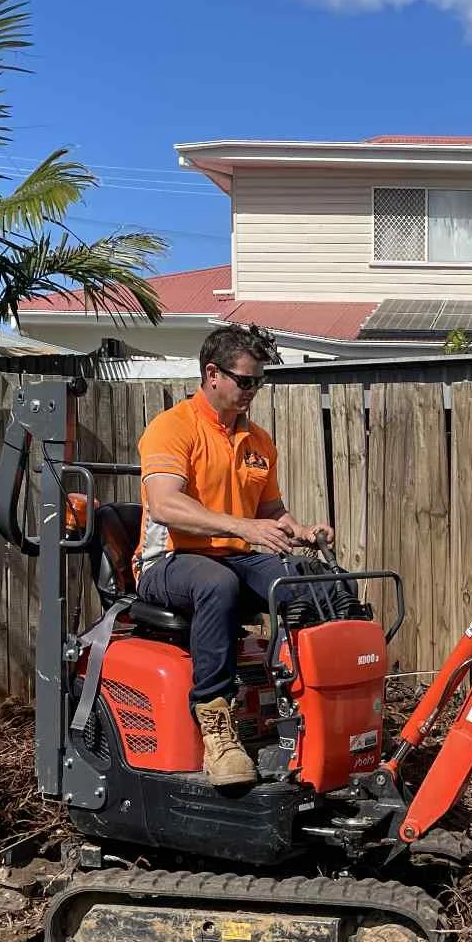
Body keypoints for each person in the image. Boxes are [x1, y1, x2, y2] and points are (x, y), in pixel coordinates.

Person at [135, 323, 332, 786]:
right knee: (215, 584)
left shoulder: (259, 442)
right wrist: (243, 527)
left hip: (234, 556)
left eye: (259, 382)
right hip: (169, 560)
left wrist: (301, 531)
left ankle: (310, 712)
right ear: (212, 374)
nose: (252, 391)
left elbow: (270, 511)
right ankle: (217, 730)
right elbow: (165, 505)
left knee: (311, 583)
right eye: (245, 381)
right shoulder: (172, 427)